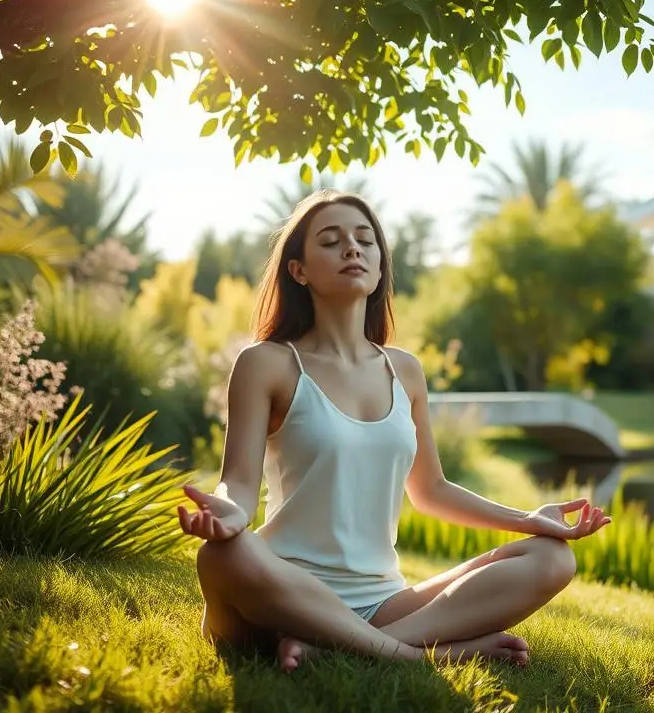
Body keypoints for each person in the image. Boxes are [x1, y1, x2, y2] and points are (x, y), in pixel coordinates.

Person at [175, 189, 613, 671]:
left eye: (365, 239)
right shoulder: (267, 363)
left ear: (380, 265)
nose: (353, 248)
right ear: (298, 270)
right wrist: (230, 514)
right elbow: (237, 479)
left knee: (553, 560)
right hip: (282, 592)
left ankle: (342, 648)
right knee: (220, 558)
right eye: (331, 240)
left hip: (383, 603)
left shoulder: (404, 370)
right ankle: (415, 656)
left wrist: (530, 520)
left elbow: (431, 490)